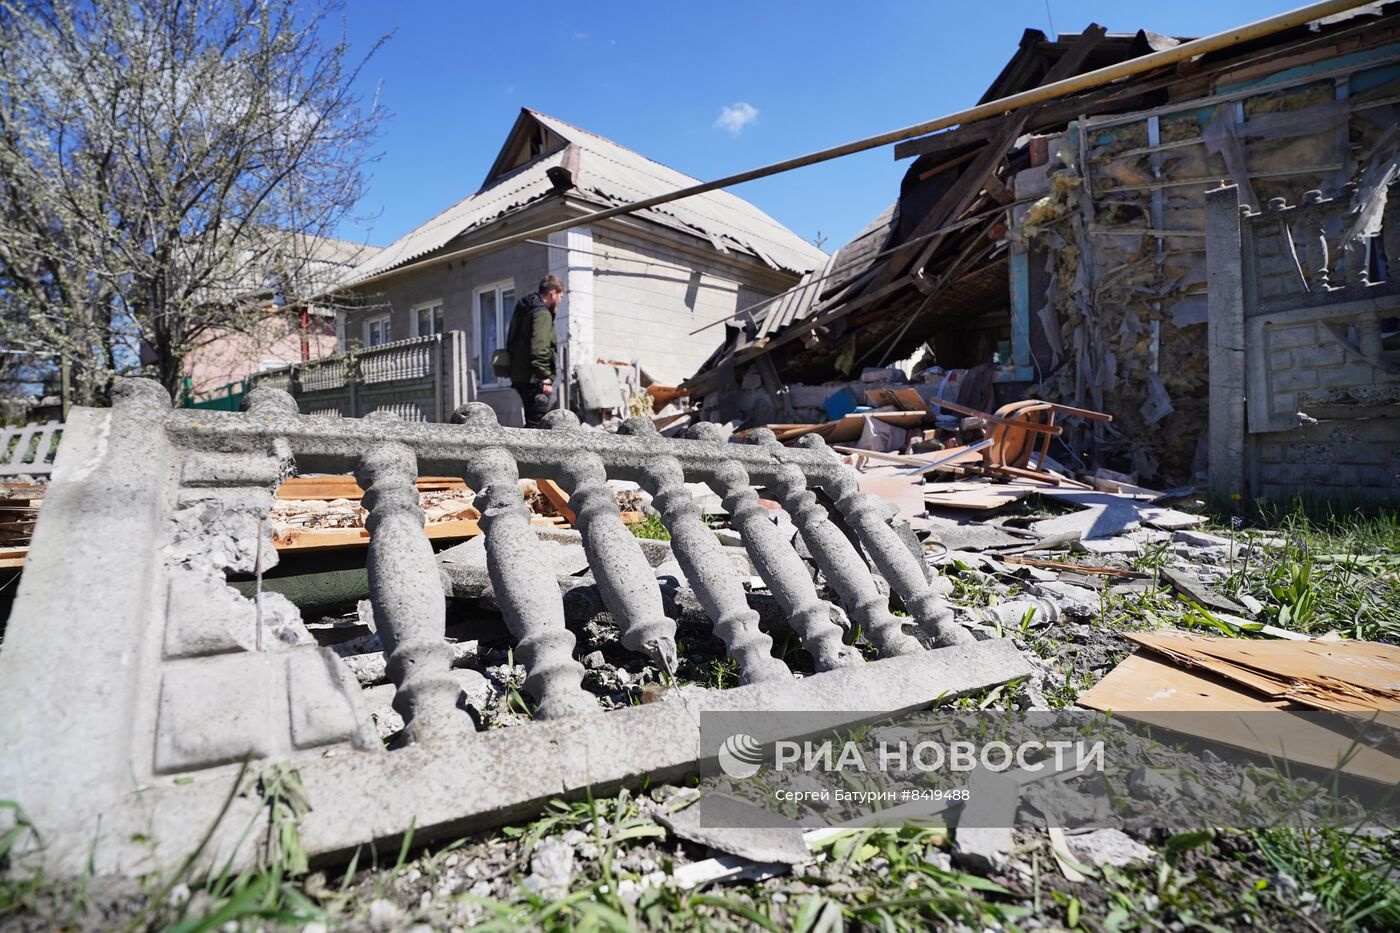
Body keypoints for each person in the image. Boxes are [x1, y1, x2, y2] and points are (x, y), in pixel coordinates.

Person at [506, 274, 564, 428]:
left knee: (533, 420)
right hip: (534, 378)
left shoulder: (525, 308)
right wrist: (544, 376)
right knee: (537, 422)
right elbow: (539, 348)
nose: (560, 301)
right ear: (553, 294)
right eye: (561, 296)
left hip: (521, 375)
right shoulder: (542, 313)